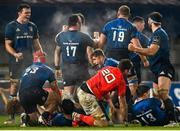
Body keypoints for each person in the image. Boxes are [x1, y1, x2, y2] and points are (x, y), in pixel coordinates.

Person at [128, 12, 177, 125]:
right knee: (157, 96)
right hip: (157, 70)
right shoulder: (156, 34)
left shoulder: (158, 34)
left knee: (163, 93)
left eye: (148, 21)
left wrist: (134, 48)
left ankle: (172, 120)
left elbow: (151, 51)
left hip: (163, 67)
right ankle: (162, 119)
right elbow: (150, 50)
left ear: (150, 21)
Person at [97, 5, 148, 97]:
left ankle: (107, 105)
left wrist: (99, 59)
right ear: (129, 15)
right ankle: (134, 102)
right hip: (124, 59)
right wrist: (144, 60)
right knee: (132, 81)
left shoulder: (108, 25)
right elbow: (136, 45)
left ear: (118, 14)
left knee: (108, 82)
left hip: (110, 57)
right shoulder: (131, 27)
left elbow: (100, 44)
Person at [4, 3, 43, 124]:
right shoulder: (11, 26)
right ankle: (11, 118)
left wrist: (41, 52)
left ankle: (28, 116)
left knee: (28, 88)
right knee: (14, 87)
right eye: (26, 13)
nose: (28, 15)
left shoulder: (32, 26)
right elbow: (7, 45)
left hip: (29, 62)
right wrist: (15, 54)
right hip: (15, 62)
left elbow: (36, 43)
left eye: (29, 13)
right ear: (19, 13)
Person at [72, 59, 133, 126]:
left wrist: (110, 103)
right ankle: (78, 116)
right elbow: (123, 104)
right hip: (88, 95)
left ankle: (80, 120)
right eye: (129, 71)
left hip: (83, 89)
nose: (129, 73)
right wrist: (125, 121)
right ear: (126, 70)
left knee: (109, 123)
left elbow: (103, 85)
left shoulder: (108, 68)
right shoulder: (121, 82)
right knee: (103, 124)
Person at [54, 14, 96, 101]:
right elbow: (95, 45)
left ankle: (67, 113)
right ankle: (84, 113)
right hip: (81, 69)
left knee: (68, 97)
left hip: (67, 69)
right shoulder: (84, 36)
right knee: (86, 95)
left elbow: (57, 52)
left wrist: (57, 67)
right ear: (77, 23)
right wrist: (97, 39)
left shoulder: (60, 36)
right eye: (80, 23)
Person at [18, 51, 61, 127]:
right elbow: (54, 87)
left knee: (34, 123)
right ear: (44, 59)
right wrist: (59, 99)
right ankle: (44, 117)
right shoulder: (47, 69)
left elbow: (22, 84)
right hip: (34, 92)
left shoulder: (26, 69)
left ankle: (25, 118)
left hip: (21, 95)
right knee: (55, 99)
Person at [131, 16, 150, 83]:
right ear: (139, 23)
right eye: (143, 25)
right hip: (134, 65)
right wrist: (145, 60)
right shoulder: (140, 36)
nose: (144, 27)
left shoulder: (125, 32)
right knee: (136, 86)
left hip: (120, 63)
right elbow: (151, 48)